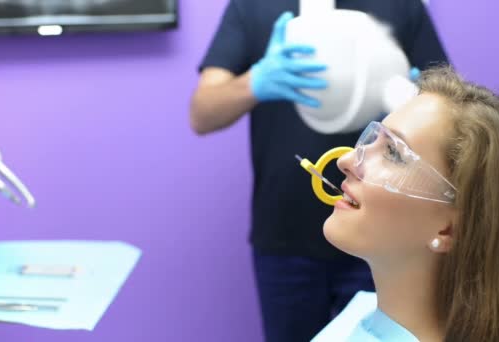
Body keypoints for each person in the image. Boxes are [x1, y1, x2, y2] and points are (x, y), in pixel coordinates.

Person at [190, 1, 448, 341]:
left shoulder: (401, 5)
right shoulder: (251, 7)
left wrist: (416, 97)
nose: (346, 162)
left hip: (385, 238)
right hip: (285, 235)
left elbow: (448, 108)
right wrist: (254, 82)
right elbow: (201, 114)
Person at [318, 66, 499, 341]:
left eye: (394, 153)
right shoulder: (364, 309)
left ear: (449, 230)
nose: (346, 161)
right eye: (374, 139)